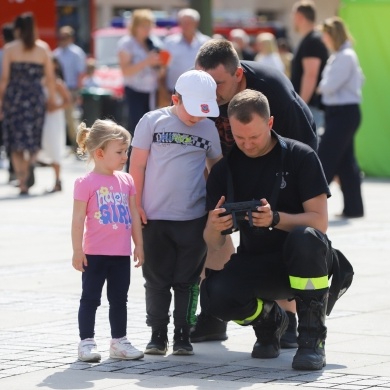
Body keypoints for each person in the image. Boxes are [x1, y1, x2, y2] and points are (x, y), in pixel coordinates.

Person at [202, 89, 352, 370]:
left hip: (306, 261)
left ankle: (311, 341)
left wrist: (275, 219)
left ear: (270, 124)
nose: (246, 144)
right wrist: (214, 226)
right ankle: (271, 321)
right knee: (215, 296)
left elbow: (319, 221)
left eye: (254, 137)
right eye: (239, 137)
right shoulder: (225, 170)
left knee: (305, 238)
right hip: (258, 262)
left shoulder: (300, 156)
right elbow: (212, 243)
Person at [191, 38, 318, 346]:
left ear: (238, 75)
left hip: (282, 158)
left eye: (218, 84)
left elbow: (301, 151)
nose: (211, 92)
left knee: (275, 229)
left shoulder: (272, 93)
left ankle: (288, 317)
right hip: (229, 161)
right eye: (206, 83)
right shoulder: (201, 88)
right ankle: (214, 317)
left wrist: (279, 209)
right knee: (214, 219)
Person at [129, 70, 222, 356]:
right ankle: (158, 334)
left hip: (193, 220)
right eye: (192, 111)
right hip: (154, 218)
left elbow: (215, 168)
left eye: (203, 112)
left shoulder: (208, 129)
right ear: (175, 99)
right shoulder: (152, 121)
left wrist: (215, 208)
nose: (197, 118)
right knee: (156, 280)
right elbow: (137, 166)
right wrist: (136, 204)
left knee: (188, 281)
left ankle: (183, 335)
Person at [72, 119, 144, 363]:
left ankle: (119, 341)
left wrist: (139, 245)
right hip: (94, 253)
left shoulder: (126, 181)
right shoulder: (85, 183)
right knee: (90, 298)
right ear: (100, 153)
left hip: (120, 254)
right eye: (120, 152)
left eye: (126, 151)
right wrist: (77, 250)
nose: (125, 156)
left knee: (119, 299)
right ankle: (86, 342)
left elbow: (134, 214)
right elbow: (78, 219)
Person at [0, 12, 56, 195]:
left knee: (15, 143)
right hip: (35, 98)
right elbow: (49, 78)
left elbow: (5, 79)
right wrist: (52, 99)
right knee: (33, 139)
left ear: (17, 30)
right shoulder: (43, 49)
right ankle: (31, 162)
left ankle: (22, 181)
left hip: (15, 98)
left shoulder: (10, 49)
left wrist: (1, 101)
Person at [317, 17, 364, 218]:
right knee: (346, 163)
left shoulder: (345, 56)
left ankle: (312, 204)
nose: (323, 39)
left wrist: (322, 86)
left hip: (343, 112)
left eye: (325, 35)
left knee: (326, 158)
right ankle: (354, 208)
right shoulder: (340, 55)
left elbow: (328, 85)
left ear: (332, 35)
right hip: (341, 112)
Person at [291, 1, 329, 132]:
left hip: (311, 107)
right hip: (311, 107)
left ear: (299, 16)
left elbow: (311, 75)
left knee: (311, 148)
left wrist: (301, 106)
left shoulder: (312, 41)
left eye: (294, 16)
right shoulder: (311, 39)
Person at [38, 57, 71, 193]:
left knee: (55, 148)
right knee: (45, 148)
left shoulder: (58, 83)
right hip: (42, 119)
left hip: (54, 120)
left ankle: (57, 180)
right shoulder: (41, 82)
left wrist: (55, 108)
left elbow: (68, 101)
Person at [54, 26, 87, 150]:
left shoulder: (77, 52)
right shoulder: (56, 53)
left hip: (71, 89)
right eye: (61, 36)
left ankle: (78, 146)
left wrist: (78, 92)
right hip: (58, 90)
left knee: (71, 119)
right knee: (58, 119)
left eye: (65, 37)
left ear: (71, 38)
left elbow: (81, 73)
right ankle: (62, 146)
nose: (62, 39)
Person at [163, 8, 210, 94]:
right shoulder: (169, 42)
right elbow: (163, 67)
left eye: (189, 22)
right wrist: (163, 91)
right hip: (174, 91)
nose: (185, 25)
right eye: (183, 22)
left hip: (200, 91)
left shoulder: (207, 42)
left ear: (196, 23)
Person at [0, 23, 15, 183]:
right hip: (20, 100)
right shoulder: (22, 52)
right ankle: (15, 169)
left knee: (7, 135)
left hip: (5, 98)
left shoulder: (4, 53)